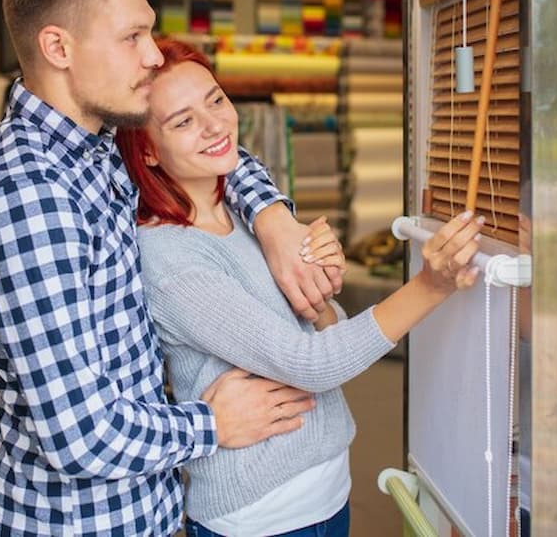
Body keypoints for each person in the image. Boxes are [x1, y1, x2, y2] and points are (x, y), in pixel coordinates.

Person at [0, 0, 346, 536]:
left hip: (152, 505)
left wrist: (272, 218)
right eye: (131, 38)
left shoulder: (96, 143)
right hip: (78, 522)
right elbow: (78, 435)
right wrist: (210, 426)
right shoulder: (27, 194)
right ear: (58, 47)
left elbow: (218, 152)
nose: (153, 58)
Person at [115, 38, 485, 537]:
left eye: (216, 100)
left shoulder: (248, 219)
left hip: (326, 491)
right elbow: (314, 364)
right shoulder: (171, 257)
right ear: (149, 153)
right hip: (261, 516)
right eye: (182, 122)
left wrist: (321, 292)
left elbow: (327, 329)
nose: (215, 126)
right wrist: (430, 286)